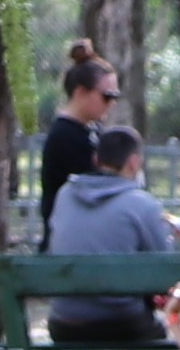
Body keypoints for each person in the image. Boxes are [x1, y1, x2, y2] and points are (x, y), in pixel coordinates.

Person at [40, 125, 180, 350]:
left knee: (88, 340)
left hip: (65, 320)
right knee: (150, 338)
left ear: (96, 159)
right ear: (134, 163)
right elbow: (162, 270)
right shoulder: (142, 204)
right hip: (120, 320)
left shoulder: (65, 195)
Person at [36, 48, 122, 244]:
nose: (112, 103)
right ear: (80, 92)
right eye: (107, 96)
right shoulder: (65, 136)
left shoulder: (92, 131)